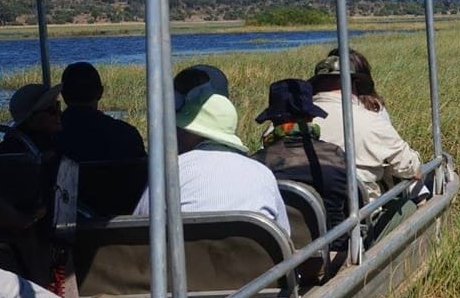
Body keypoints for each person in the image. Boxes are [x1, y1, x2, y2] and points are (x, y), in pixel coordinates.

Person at [133, 82, 290, 235]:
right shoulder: (262, 173)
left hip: (184, 261)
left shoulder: (169, 172)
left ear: (191, 134)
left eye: (179, 130)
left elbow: (139, 229)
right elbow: (283, 234)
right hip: (260, 262)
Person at [308, 48, 422, 243]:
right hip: (359, 224)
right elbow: (411, 167)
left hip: (306, 226)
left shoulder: (287, 125)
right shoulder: (371, 121)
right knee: (409, 206)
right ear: (355, 84)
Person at [250, 78, 350, 249]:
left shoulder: (256, 164)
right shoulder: (336, 155)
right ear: (311, 117)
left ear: (272, 121)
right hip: (335, 250)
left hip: (280, 257)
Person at [56, 62, 147, 216]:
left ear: (63, 95)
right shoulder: (126, 134)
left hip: (65, 224)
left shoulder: (50, 136)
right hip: (123, 221)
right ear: (100, 92)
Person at [0, 83, 62, 157]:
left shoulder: (8, 145)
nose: (59, 113)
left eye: (58, 106)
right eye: (51, 110)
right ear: (32, 120)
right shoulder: (45, 147)